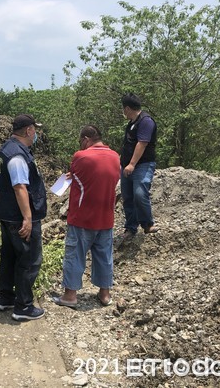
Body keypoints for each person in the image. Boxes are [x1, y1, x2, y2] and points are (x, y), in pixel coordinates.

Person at [53, 126, 121, 308]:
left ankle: (70, 295)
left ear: (86, 139)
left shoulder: (80, 156)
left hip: (82, 218)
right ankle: (105, 294)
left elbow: (79, 176)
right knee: (104, 256)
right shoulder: (115, 156)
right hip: (106, 218)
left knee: (75, 255)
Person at [0, 114, 47, 321]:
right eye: (35, 129)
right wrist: (27, 217)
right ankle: (23, 306)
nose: (36, 133)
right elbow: (19, 187)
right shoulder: (17, 156)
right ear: (28, 131)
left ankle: (5, 297)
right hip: (19, 217)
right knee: (30, 259)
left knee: (9, 256)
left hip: (7, 214)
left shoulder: (9, 149)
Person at [115, 93, 158, 250]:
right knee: (128, 197)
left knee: (140, 193)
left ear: (127, 108)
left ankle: (148, 224)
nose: (123, 113)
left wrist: (132, 164)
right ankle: (131, 227)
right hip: (126, 165)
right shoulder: (132, 123)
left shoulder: (146, 121)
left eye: (123, 109)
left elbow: (142, 143)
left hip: (142, 165)